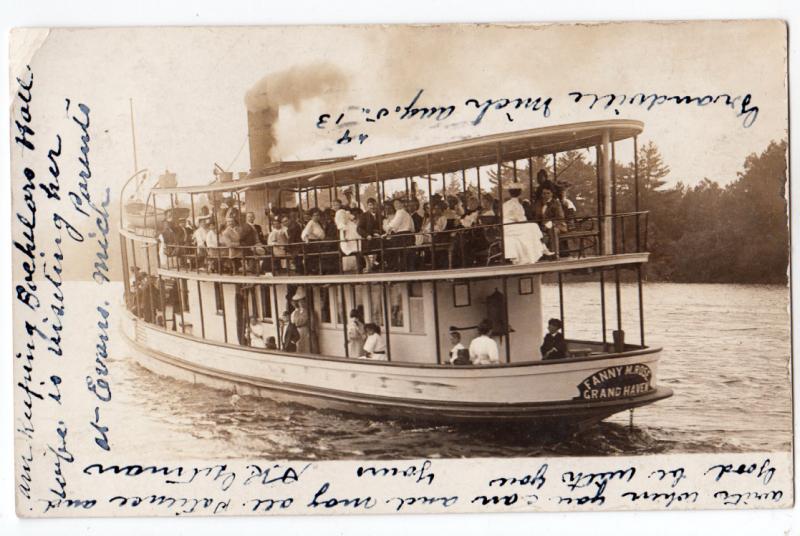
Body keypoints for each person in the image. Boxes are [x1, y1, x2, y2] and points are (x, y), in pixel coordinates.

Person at [502, 180, 549, 265]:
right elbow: (520, 219)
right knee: (533, 226)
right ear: (519, 193)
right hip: (511, 227)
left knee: (531, 227)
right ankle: (542, 248)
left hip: (506, 226)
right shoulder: (516, 204)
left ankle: (542, 248)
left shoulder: (506, 204)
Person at [291, 288, 311, 353]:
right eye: (299, 302)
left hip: (305, 330)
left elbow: (303, 320)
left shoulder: (308, 311)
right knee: (299, 346)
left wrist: (298, 322)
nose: (301, 303)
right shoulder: (296, 312)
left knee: (306, 346)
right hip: (297, 331)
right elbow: (294, 322)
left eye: (302, 301)